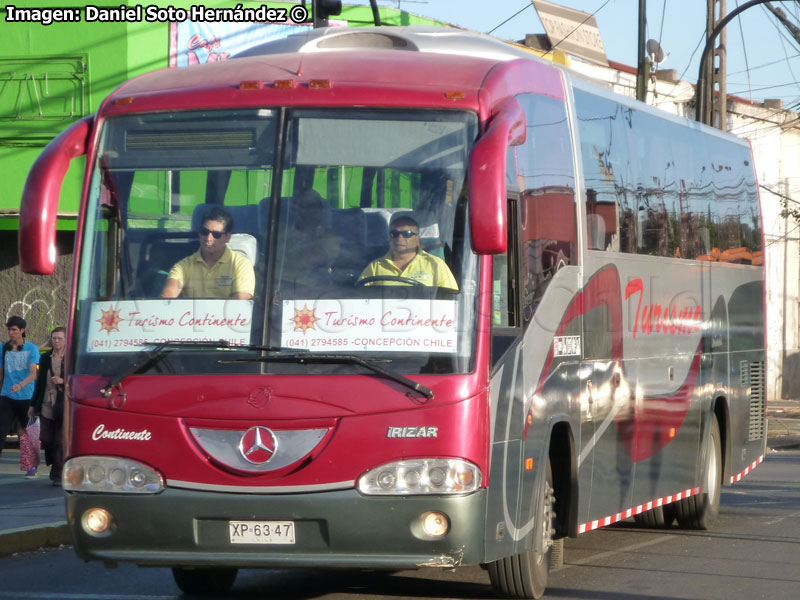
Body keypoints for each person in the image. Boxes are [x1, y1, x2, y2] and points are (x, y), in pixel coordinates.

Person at [161, 206, 255, 300]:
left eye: (216, 234)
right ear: (199, 233)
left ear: (228, 237)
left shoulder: (241, 265)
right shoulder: (183, 267)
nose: (208, 238)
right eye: (204, 232)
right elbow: (167, 298)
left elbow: (240, 304)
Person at [358, 213, 458, 290]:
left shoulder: (435, 265)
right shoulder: (375, 267)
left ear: (417, 239)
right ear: (389, 238)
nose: (400, 238)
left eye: (407, 234)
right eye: (394, 234)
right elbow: (359, 298)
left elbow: (449, 299)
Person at [0, 316, 41, 477]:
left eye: (14, 330)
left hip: (26, 397)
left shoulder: (31, 349)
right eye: (9, 329)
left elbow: (33, 374)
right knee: (1, 430)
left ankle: (31, 465)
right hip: (6, 396)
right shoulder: (4, 348)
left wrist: (20, 385)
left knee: (28, 432)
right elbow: (1, 374)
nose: (11, 333)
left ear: (22, 331)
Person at [279, 189, 340, 288]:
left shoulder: (330, 237)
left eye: (317, 207)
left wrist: (309, 235)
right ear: (295, 209)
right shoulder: (279, 234)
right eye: (306, 206)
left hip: (316, 292)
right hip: (278, 288)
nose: (312, 211)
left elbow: (313, 260)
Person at [29, 327, 66, 486]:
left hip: (63, 403)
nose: (56, 341)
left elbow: (78, 379)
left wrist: (63, 382)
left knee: (59, 440)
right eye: (54, 338)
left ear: (65, 340)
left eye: (59, 338)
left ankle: (57, 473)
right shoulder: (45, 358)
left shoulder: (71, 358)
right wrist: (32, 404)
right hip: (46, 402)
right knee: (46, 438)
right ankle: (55, 464)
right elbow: (39, 384)